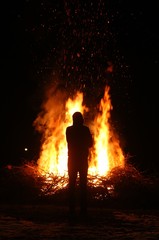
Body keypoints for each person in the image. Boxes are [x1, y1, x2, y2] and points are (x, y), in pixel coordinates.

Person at [66, 111, 93, 217]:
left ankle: (71, 209)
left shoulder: (69, 129)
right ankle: (83, 209)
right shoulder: (85, 129)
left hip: (72, 160)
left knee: (72, 185)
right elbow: (90, 144)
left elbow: (70, 142)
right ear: (81, 119)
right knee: (83, 185)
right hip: (82, 160)